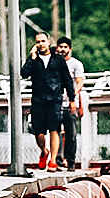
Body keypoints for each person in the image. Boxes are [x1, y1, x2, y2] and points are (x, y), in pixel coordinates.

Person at [21, 32, 75, 172]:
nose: (40, 44)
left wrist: (72, 99)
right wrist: (32, 58)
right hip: (38, 100)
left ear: (49, 42)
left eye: (43, 41)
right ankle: (44, 151)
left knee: (54, 129)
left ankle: (53, 161)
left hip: (55, 99)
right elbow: (24, 74)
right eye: (38, 41)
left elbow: (67, 79)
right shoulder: (34, 59)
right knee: (38, 131)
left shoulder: (58, 59)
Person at [55, 36, 85, 170]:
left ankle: (71, 160)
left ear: (70, 49)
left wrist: (73, 96)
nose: (62, 49)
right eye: (60, 46)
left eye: (65, 47)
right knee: (55, 131)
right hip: (55, 102)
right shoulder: (54, 63)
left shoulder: (76, 64)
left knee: (71, 133)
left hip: (70, 103)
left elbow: (79, 82)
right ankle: (57, 159)